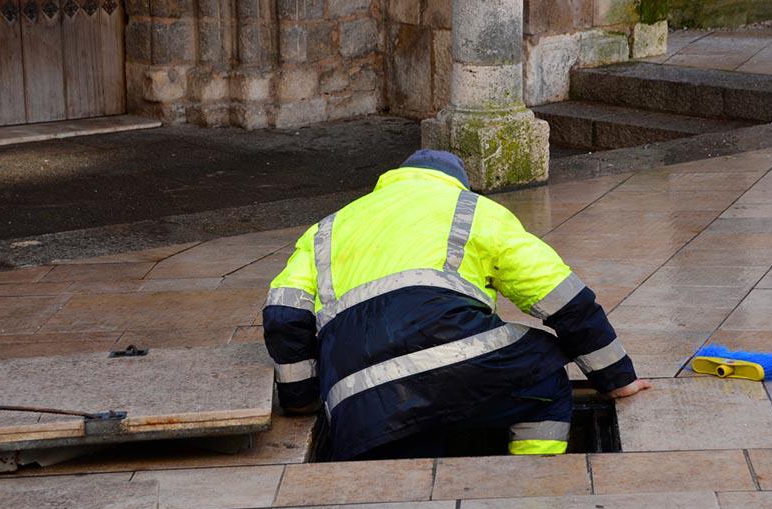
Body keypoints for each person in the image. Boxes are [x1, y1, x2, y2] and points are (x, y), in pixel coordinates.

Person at [263, 149, 650, 460]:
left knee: (405, 437)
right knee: (544, 372)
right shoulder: (473, 211)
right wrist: (617, 378)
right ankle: (533, 482)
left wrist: (301, 399)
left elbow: (284, 314)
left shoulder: (328, 227)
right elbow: (563, 298)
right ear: (458, 184)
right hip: (455, 367)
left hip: (358, 401)